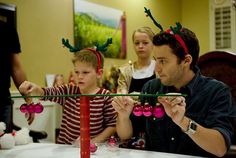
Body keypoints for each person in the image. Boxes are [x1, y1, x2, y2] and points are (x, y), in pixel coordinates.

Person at [112, 23, 236, 157]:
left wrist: (183, 122)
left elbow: (220, 148)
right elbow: (126, 135)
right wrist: (123, 117)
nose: (157, 69)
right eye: (156, 61)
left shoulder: (217, 92)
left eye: (163, 61)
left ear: (186, 60)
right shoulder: (151, 88)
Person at [19, 44, 117, 144]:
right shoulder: (69, 90)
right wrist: (35, 88)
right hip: (65, 148)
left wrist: (92, 142)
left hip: (91, 151)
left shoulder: (106, 97)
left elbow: (112, 126)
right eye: (76, 72)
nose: (79, 76)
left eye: (85, 72)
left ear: (99, 74)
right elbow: (47, 93)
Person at [116, 26, 156, 149]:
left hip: (155, 124)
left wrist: (135, 97)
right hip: (131, 125)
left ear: (153, 44)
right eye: (137, 43)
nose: (140, 46)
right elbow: (122, 96)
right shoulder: (126, 71)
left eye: (145, 43)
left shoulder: (160, 68)